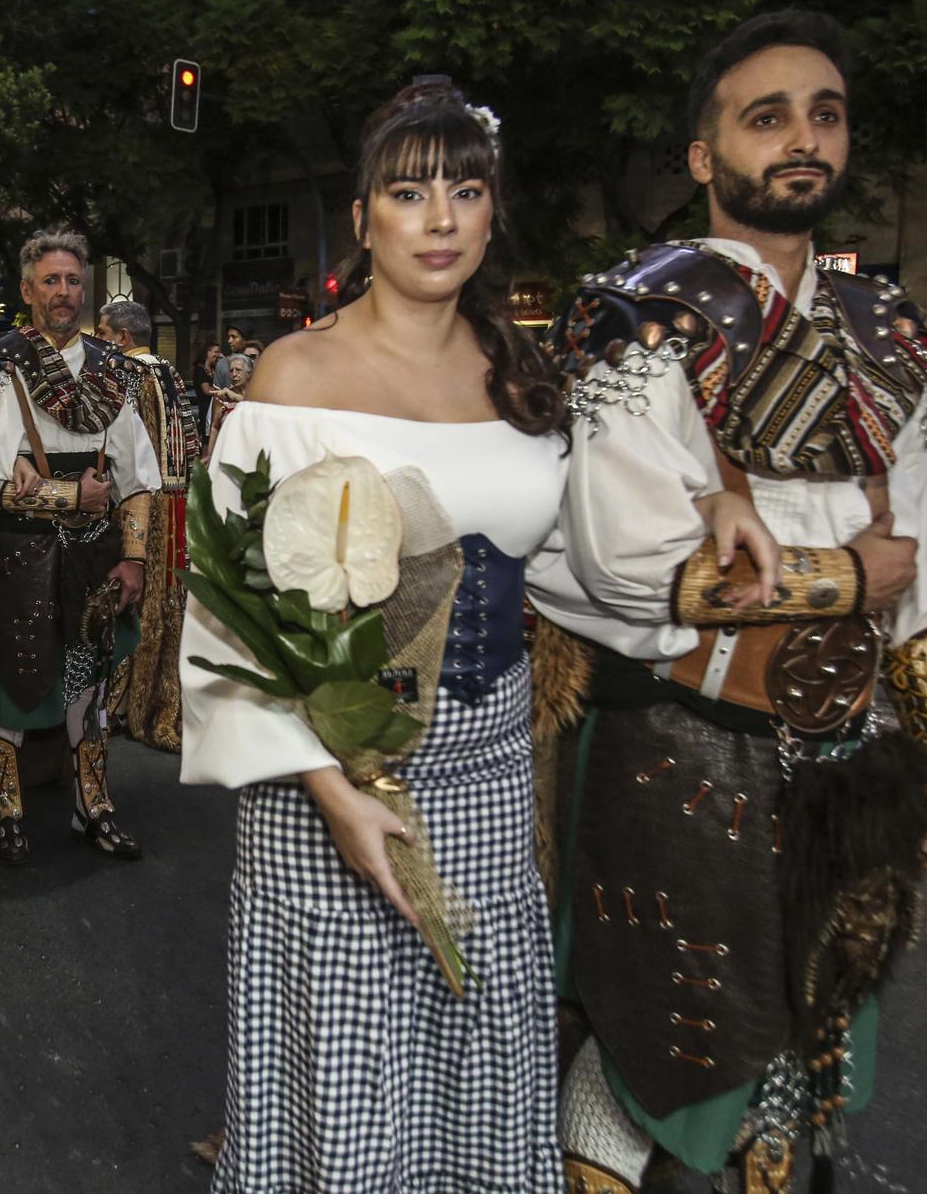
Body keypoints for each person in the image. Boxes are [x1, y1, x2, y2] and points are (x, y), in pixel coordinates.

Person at [529, 9, 927, 1192]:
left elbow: (918, 560)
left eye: (822, 115)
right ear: (701, 155)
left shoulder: (886, 329)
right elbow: (630, 562)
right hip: (680, 745)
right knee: (653, 1057)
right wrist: (843, 579)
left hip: (852, 758)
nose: (800, 138)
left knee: (800, 1051)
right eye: (764, 115)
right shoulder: (632, 315)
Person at [182, 83, 568, 1189]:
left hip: (489, 774)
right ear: (362, 219)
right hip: (329, 782)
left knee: (477, 1041)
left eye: (465, 189)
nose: (439, 217)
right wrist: (331, 791)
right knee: (345, 1077)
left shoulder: (521, 379)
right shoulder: (292, 379)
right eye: (408, 191)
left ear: (493, 214)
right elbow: (230, 610)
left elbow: (581, 571)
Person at [0, 228, 161, 865]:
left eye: (74, 280)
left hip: (98, 554)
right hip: (22, 555)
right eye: (51, 280)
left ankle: (92, 808)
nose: (64, 292)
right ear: (27, 290)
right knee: (12, 684)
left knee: (90, 688)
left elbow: (137, 479)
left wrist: (134, 558)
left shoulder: (113, 370)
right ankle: (7, 813)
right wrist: (69, 497)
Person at [97, 299, 200, 750]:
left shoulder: (125, 372)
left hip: (143, 504)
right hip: (179, 503)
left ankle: (118, 704)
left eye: (102, 333)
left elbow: (119, 452)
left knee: (133, 598)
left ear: (121, 337)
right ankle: (166, 698)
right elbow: (192, 443)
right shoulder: (169, 372)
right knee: (170, 602)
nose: (98, 341)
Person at [200, 354, 252, 462]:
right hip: (228, 453)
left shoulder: (256, 394)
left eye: (238, 370)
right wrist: (210, 455)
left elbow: (256, 407)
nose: (234, 374)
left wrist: (236, 397)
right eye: (231, 370)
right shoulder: (224, 396)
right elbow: (214, 427)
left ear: (249, 374)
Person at [190, 339, 222, 443]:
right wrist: (221, 391)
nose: (218, 354)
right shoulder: (200, 370)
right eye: (216, 352)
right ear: (207, 352)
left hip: (215, 408)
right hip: (206, 409)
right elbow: (207, 390)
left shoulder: (215, 369)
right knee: (206, 440)